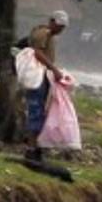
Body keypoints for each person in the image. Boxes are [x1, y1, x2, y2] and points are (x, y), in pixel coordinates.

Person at [24, 10, 68, 159]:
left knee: (41, 110)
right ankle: (31, 148)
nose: (60, 29)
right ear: (52, 21)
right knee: (36, 110)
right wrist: (54, 69)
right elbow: (38, 53)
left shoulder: (50, 36)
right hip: (37, 77)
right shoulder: (43, 33)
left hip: (43, 77)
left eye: (63, 27)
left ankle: (37, 146)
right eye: (59, 26)